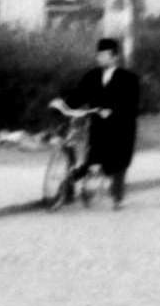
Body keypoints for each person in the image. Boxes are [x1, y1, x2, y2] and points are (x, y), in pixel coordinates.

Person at [50, 37, 141, 209]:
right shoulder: (92, 76)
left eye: (104, 55)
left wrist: (113, 112)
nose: (100, 58)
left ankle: (118, 197)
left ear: (114, 57)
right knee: (92, 158)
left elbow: (132, 104)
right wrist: (62, 106)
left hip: (122, 129)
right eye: (99, 55)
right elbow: (79, 95)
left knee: (118, 163)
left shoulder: (129, 78)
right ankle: (68, 188)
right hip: (99, 126)